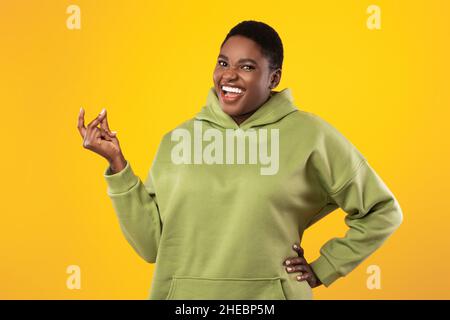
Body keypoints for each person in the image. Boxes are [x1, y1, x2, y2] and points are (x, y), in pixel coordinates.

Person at [77, 20, 403, 300]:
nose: (229, 76)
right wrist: (118, 165)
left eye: (246, 67)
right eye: (223, 63)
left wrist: (325, 268)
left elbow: (382, 211)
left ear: (273, 79)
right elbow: (151, 247)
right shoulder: (177, 140)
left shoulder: (311, 135)